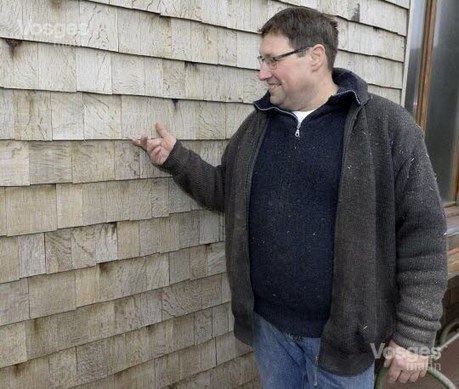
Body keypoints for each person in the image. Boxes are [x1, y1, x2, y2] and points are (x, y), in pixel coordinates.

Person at [133, 7, 447, 388]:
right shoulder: (258, 126)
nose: (262, 73)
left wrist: (415, 333)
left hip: (343, 341)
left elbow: (424, 236)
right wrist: (176, 159)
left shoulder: (386, 127)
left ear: (315, 56)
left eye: (272, 60)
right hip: (270, 331)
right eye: (261, 60)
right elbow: (225, 193)